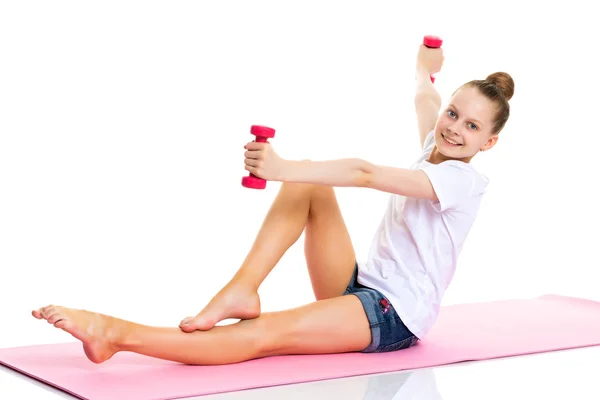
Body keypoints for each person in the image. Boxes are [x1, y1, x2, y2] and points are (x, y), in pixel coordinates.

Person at [32, 42, 514, 365]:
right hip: (358, 287)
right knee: (310, 183)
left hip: (392, 315)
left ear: (488, 143)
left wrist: (280, 169)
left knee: (268, 336)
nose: (455, 128)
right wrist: (424, 69)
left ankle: (115, 334)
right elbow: (423, 97)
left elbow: (364, 173)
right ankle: (242, 287)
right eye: (455, 113)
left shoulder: (460, 181)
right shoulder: (436, 140)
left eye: (473, 127)